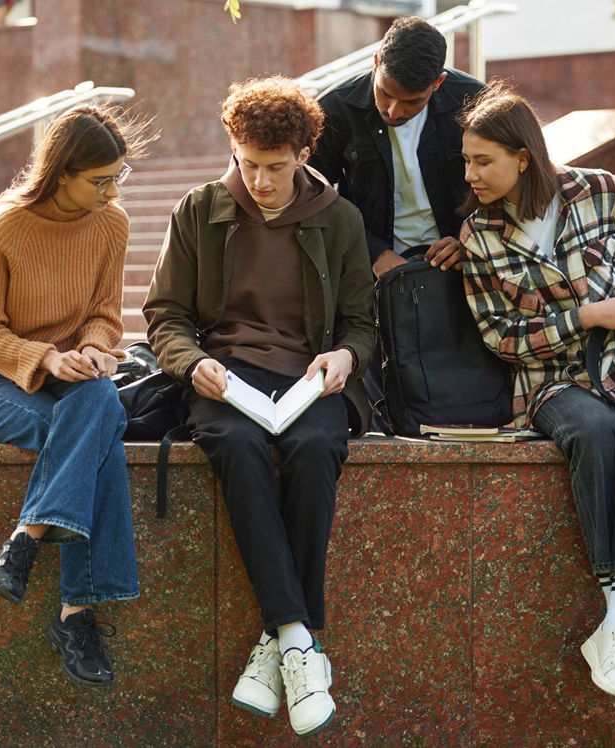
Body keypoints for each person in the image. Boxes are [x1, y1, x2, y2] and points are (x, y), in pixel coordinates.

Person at [143, 76, 373, 737]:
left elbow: (361, 321)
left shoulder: (340, 219)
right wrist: (195, 364)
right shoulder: (199, 209)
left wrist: (345, 358)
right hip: (225, 378)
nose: (261, 182)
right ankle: (300, 640)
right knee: (237, 446)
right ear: (233, 148)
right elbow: (165, 315)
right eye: (249, 165)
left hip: (310, 378)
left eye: (275, 167)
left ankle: (279, 644)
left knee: (316, 446)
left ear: (304, 153)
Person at [457, 81, 615, 703]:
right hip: (550, 382)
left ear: (522, 157)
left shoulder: (603, 191)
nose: (471, 174)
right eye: (467, 160)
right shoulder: (479, 236)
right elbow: (499, 338)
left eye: (483, 160)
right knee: (594, 432)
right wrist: (586, 318)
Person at [0, 104, 150, 688]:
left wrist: (92, 349)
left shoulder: (111, 223)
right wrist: (44, 356)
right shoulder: (5, 228)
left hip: (78, 386)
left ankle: (25, 541)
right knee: (100, 438)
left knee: (98, 404)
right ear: (61, 171)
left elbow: (104, 316)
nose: (111, 191)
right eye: (100, 180)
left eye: (117, 177)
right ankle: (77, 614)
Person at [309, 16, 485, 427]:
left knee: (458, 362)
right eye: (385, 94)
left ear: (438, 84)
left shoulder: (475, 100)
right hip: (370, 260)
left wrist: (470, 238)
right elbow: (314, 196)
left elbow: (508, 184)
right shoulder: (335, 108)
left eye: (412, 102)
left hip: (456, 257)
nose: (393, 110)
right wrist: (374, 253)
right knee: (376, 359)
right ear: (374, 62)